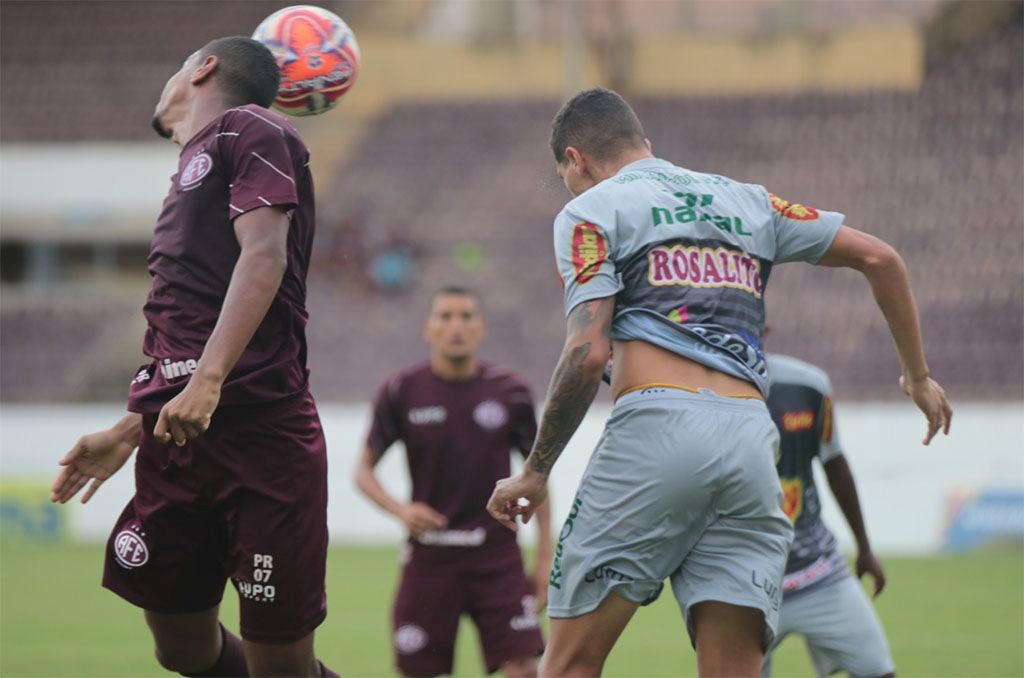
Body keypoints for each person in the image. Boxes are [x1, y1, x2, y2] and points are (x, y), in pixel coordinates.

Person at [486, 87, 952, 677]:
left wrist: (536, 470)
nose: (571, 188)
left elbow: (586, 353)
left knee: (571, 662)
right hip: (752, 444)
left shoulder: (591, 209)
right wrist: (916, 376)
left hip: (657, 431)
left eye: (567, 176)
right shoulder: (749, 200)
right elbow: (882, 258)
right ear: (645, 145)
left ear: (575, 160)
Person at [49, 37, 337, 677]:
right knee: (178, 644)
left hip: (262, 439)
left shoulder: (253, 127)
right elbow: (183, 321)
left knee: (281, 664)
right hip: (176, 443)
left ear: (202, 68)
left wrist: (208, 381)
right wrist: (134, 424)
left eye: (178, 63)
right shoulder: (188, 170)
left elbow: (265, 255)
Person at [355, 286, 550, 678]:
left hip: (497, 558)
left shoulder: (510, 392)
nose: (456, 326)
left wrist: (546, 557)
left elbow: (538, 478)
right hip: (430, 558)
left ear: (481, 327)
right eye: (445, 316)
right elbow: (363, 471)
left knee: (524, 669)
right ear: (429, 328)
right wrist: (401, 510)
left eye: (466, 316)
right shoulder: (401, 391)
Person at [763, 353, 894, 678]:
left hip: (817, 571)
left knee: (879, 670)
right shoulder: (704, 389)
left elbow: (834, 462)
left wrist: (864, 548)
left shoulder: (808, 386)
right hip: (744, 584)